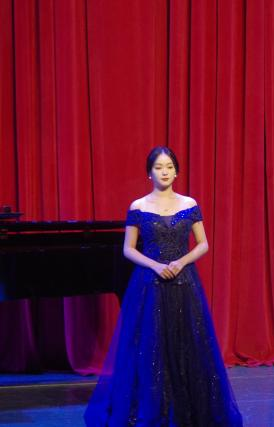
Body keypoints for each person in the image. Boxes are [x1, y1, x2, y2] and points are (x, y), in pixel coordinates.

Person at [85, 147, 243, 426]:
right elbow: (128, 249)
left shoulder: (189, 203)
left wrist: (181, 262)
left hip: (184, 283)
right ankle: (150, 409)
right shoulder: (138, 207)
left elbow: (203, 244)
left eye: (169, 166)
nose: (164, 172)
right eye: (158, 167)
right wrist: (156, 266)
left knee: (187, 346)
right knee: (150, 347)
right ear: (149, 173)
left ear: (177, 171)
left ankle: (188, 411)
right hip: (149, 285)